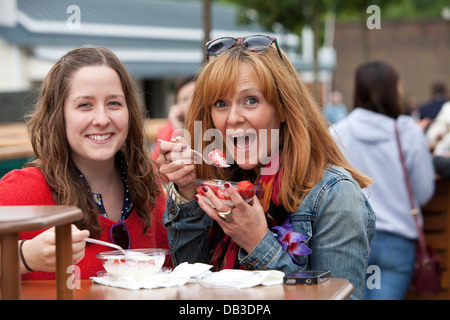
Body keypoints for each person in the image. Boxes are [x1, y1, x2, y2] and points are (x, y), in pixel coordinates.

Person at [157, 35, 376, 299]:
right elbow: (189, 282)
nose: (234, 118)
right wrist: (186, 192)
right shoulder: (222, 182)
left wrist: (257, 242)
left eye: (251, 100)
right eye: (221, 104)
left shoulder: (335, 195)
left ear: (283, 109)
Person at [0, 47, 170, 280]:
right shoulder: (22, 190)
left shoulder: (148, 186)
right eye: (84, 105)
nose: (101, 119)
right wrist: (24, 256)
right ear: (58, 115)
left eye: (114, 103)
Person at [330, 61, 435, 300]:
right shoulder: (408, 132)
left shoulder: (336, 133)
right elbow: (425, 191)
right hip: (396, 243)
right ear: (392, 90)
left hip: (349, 238)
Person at [151, 75, 196, 161]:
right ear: (177, 107)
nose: (191, 103)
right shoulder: (172, 130)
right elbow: (156, 166)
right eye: (185, 99)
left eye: (196, 96)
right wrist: (175, 127)